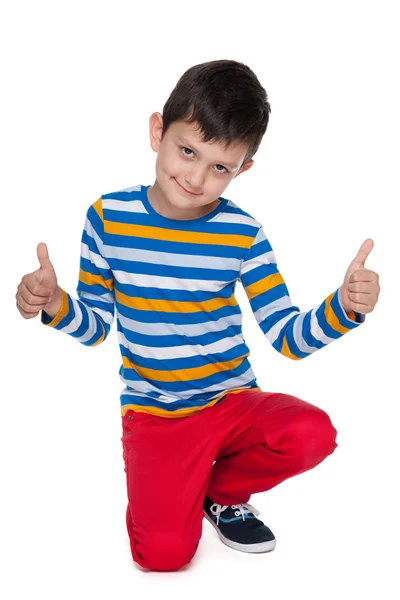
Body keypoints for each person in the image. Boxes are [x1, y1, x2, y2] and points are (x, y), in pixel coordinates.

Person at [15, 59, 380, 572]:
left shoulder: (243, 233)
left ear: (243, 168)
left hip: (232, 403)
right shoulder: (106, 218)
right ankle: (179, 490)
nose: (196, 177)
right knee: (162, 557)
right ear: (157, 131)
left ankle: (219, 492)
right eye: (187, 151)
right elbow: (96, 326)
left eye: (219, 167)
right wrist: (54, 303)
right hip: (156, 411)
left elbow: (287, 336)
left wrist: (343, 306)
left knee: (312, 432)